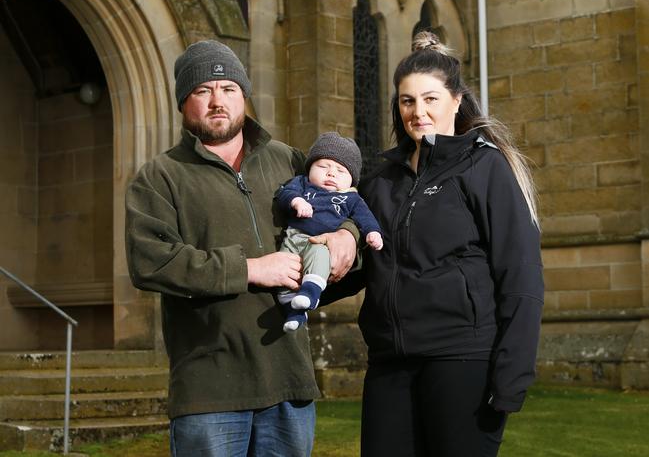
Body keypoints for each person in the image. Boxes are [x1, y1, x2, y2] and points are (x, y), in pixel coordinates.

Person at [124, 40, 358, 457]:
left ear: (244, 96)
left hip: (288, 381)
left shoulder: (288, 161)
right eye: (203, 90)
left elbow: (344, 206)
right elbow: (151, 262)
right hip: (209, 392)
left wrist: (349, 236)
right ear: (184, 102)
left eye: (229, 88)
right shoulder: (160, 177)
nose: (218, 101)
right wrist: (248, 268)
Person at [320, 31, 544, 457]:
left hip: (462, 361)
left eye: (430, 99)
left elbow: (520, 273)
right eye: (407, 101)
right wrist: (299, 282)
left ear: (456, 102)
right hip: (390, 364)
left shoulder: (485, 168)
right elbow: (364, 263)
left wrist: (512, 375)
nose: (418, 112)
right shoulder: (381, 180)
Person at [275, 132, 383, 332]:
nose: (331, 173)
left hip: (320, 243)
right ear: (310, 169)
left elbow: (365, 218)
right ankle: (295, 314)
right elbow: (284, 193)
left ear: (351, 180)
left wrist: (372, 233)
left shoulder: (351, 199)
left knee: (319, 258)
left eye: (340, 171)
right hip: (293, 237)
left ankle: (311, 291)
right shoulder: (302, 183)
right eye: (323, 166)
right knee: (283, 273)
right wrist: (296, 201)